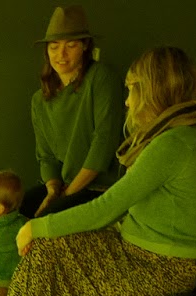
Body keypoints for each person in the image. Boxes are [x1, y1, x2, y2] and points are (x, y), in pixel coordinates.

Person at [0, 46, 196, 296]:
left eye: (132, 90)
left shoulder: (175, 143)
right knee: (46, 250)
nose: (127, 102)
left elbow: (108, 205)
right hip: (136, 250)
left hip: (163, 267)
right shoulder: (173, 135)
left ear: (152, 90)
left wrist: (36, 226)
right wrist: (44, 232)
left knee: (45, 245)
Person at [26, 7, 125, 218]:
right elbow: (46, 156)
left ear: (85, 46)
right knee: (18, 210)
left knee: (44, 221)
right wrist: (52, 191)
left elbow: (103, 143)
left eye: (70, 46)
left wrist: (67, 195)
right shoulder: (39, 100)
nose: (61, 55)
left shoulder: (101, 78)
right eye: (54, 47)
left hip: (98, 186)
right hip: (63, 185)